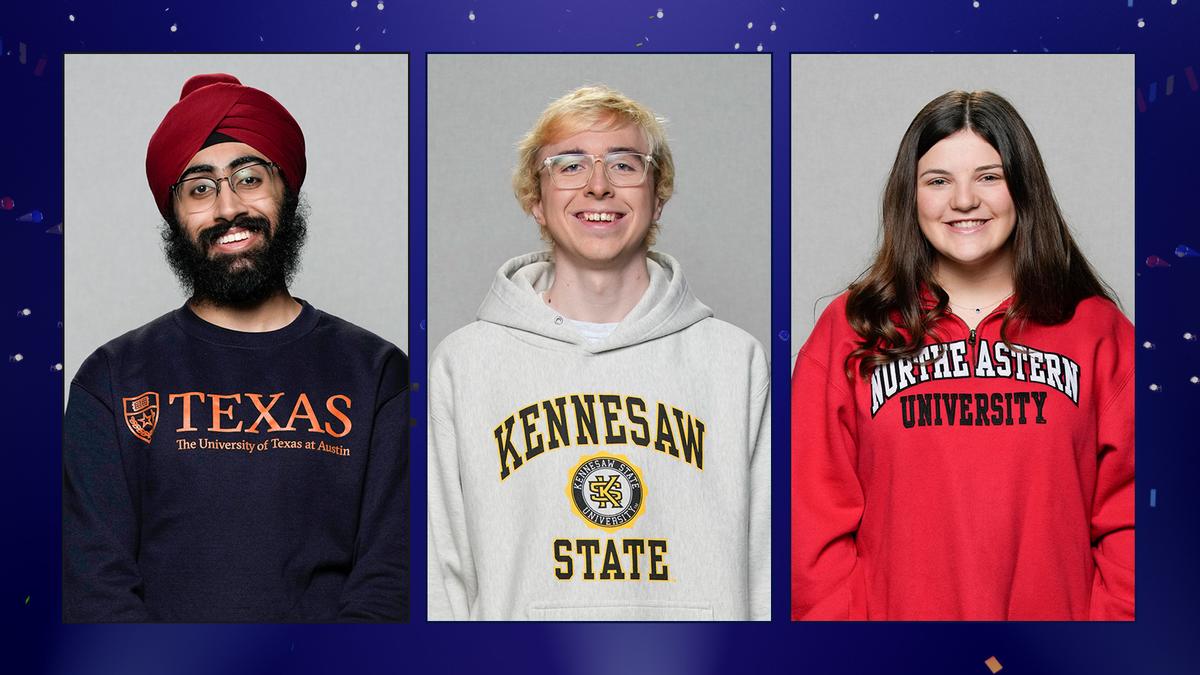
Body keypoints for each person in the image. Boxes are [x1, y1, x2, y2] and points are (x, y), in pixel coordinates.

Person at [63, 73, 409, 622]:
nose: (228, 208)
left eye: (249, 178)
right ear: (174, 214)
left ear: (285, 192)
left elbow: (390, 577)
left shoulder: (378, 374)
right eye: (200, 188)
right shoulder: (112, 379)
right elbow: (94, 584)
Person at [427, 85, 770, 621]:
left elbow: (767, 568)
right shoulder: (464, 364)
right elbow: (441, 575)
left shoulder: (735, 361)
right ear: (535, 200)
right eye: (568, 166)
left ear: (658, 196)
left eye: (625, 165)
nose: (598, 186)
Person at [790, 90, 1134, 621]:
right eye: (938, 180)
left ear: (1023, 188)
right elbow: (808, 531)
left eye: (989, 177)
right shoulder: (848, 331)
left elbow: (1136, 523)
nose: (965, 200)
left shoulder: (1099, 333)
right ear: (911, 196)